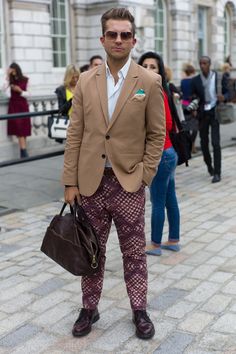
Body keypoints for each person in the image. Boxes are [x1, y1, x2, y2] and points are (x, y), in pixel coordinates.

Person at [63, 8, 165, 340]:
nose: (118, 40)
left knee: (134, 251)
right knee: (91, 251)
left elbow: (156, 135)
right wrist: (70, 182)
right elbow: (75, 134)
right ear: (102, 38)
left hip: (128, 183)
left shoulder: (148, 82)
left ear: (133, 40)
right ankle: (89, 308)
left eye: (125, 35)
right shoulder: (85, 81)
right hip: (91, 184)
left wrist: (145, 175)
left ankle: (139, 309)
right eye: (112, 34)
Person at [138, 52, 180, 256]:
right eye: (144, 65)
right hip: (168, 153)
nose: (148, 69)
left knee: (158, 200)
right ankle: (173, 240)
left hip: (162, 154)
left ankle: (154, 244)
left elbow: (168, 124)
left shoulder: (155, 91)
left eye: (153, 66)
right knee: (169, 198)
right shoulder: (148, 90)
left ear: (160, 71)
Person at [190, 56, 225, 183]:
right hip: (202, 115)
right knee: (204, 144)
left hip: (215, 112)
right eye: (201, 63)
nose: (202, 65)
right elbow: (192, 96)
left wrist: (224, 97)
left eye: (205, 63)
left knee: (216, 143)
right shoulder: (195, 80)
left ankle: (217, 172)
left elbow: (229, 92)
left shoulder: (219, 77)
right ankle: (209, 166)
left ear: (209, 64)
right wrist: (194, 105)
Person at [3, 62, 31, 158]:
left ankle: (23, 151)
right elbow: (5, 92)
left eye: (14, 71)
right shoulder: (9, 81)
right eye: (11, 72)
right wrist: (7, 76)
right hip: (14, 106)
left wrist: (20, 91)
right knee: (19, 128)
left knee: (24, 129)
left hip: (23, 105)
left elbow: (29, 94)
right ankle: (24, 151)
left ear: (17, 70)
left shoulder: (25, 79)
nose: (13, 73)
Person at [181, 63, 198, 153]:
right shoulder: (194, 81)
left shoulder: (183, 81)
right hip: (192, 105)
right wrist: (195, 109)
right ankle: (192, 145)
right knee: (195, 126)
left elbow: (183, 93)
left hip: (184, 105)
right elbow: (195, 95)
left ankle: (189, 146)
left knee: (186, 126)